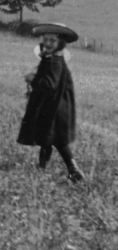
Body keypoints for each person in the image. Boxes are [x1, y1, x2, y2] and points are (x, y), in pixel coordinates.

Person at [18, 23, 84, 182]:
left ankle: (74, 170)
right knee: (45, 137)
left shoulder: (54, 61)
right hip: (51, 105)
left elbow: (49, 85)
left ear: (60, 43)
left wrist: (33, 79)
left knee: (57, 140)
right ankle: (41, 167)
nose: (47, 43)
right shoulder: (51, 59)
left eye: (52, 41)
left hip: (55, 107)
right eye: (45, 39)